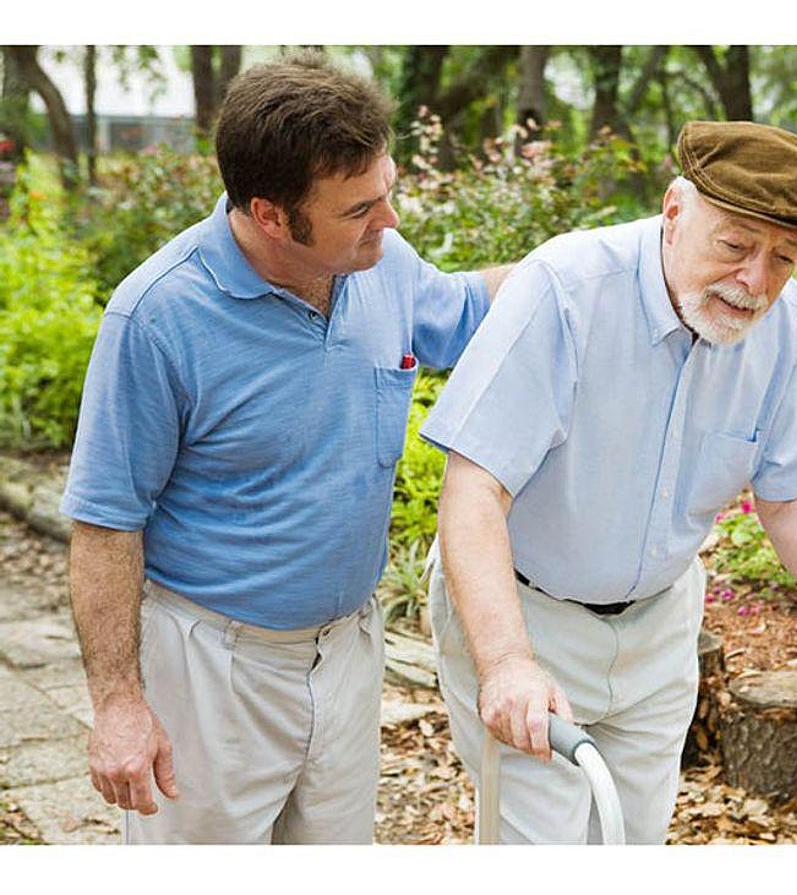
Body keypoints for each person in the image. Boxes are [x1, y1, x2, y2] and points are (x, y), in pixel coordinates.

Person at [60, 52, 510, 844]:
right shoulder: (159, 316)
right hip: (212, 671)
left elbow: (473, 310)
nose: (391, 222)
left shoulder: (383, 264)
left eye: (389, 191)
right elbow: (104, 521)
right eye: (360, 209)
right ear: (271, 215)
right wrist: (120, 706)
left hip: (347, 652)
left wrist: (601, 268)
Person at [420, 120, 797, 844]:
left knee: (632, 847)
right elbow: (471, 492)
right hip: (528, 618)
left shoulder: (780, 319)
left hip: (658, 628)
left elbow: (793, 487)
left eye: (785, 257)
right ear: (674, 210)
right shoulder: (566, 289)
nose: (757, 282)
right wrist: (507, 664)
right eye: (737, 246)